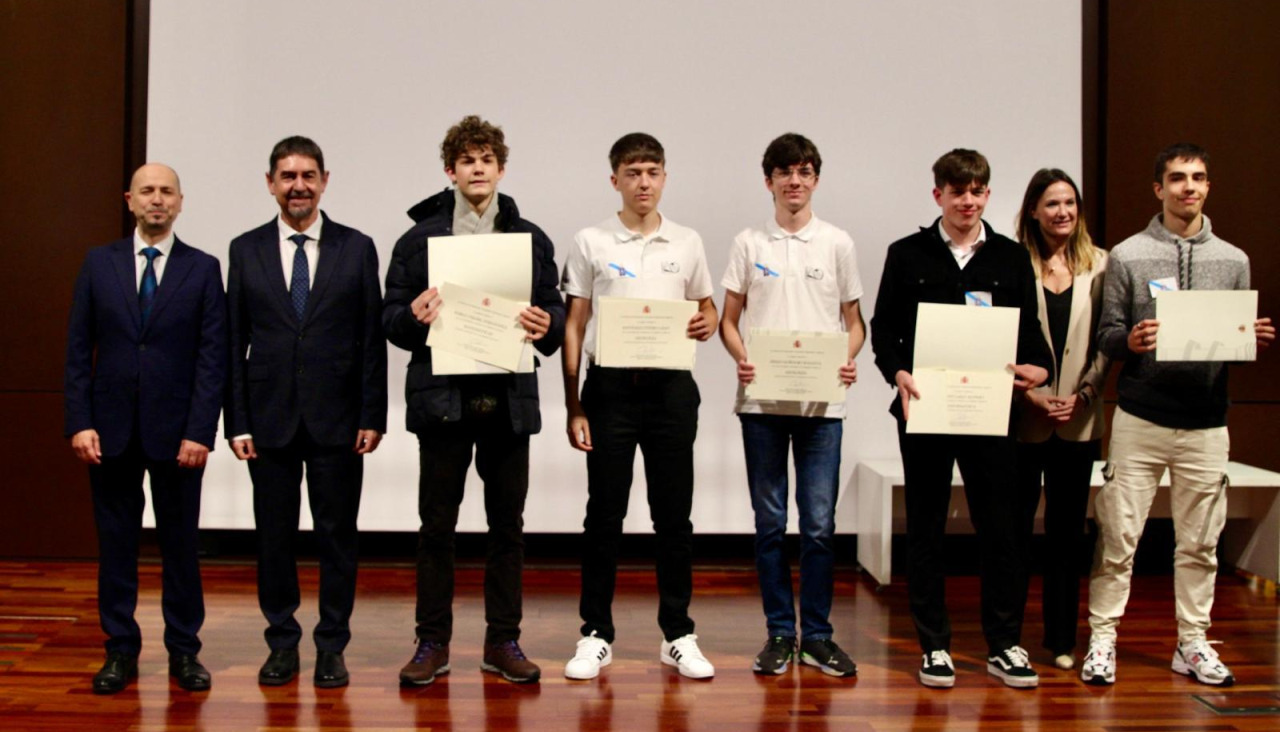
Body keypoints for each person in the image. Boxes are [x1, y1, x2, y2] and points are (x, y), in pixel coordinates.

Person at [1081, 143, 1274, 687]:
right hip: (1141, 419)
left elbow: (1231, 340)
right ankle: (1103, 639)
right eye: (1177, 178)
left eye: (1198, 178)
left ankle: (1192, 643)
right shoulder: (1127, 254)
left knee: (1201, 541)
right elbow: (1107, 332)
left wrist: (1249, 338)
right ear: (1158, 188)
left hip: (1207, 422)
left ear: (1208, 187)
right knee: (1119, 535)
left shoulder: (1233, 260)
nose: (1188, 187)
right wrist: (1132, 340)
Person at [384, 115, 566, 686]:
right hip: (443, 401)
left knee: (506, 527)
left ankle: (502, 640)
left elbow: (555, 311)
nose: (478, 168)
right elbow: (390, 317)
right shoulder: (419, 240)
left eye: (487, 159)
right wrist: (412, 318)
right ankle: (431, 642)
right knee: (436, 527)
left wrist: (547, 323)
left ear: (501, 169)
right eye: (467, 160)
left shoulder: (531, 238)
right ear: (451, 171)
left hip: (508, 398)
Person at [870, 148, 1052, 689]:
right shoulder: (907, 254)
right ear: (939, 197)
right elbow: (884, 331)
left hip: (990, 413)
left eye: (977, 191)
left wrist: (1038, 371)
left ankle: (1004, 644)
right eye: (957, 192)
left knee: (1000, 528)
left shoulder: (1011, 258)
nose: (967, 201)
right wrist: (896, 373)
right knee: (924, 528)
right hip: (924, 407)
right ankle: (935, 646)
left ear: (987, 195)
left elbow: (1031, 337)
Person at [225, 136, 388, 689]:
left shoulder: (357, 247)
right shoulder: (244, 249)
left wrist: (373, 414)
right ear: (270, 183)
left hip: (339, 420)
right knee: (273, 536)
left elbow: (371, 338)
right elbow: (232, 342)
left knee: (337, 535)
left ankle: (331, 646)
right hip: (267, 419)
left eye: (308, 175)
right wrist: (237, 420)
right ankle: (281, 643)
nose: (298, 185)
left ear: (324, 181)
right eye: (287, 175)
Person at [559, 133, 718, 680]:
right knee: (604, 515)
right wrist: (574, 403)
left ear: (664, 177)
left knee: (673, 517)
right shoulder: (590, 240)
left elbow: (707, 306)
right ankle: (595, 633)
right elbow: (575, 324)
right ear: (615, 180)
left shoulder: (688, 241)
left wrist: (709, 322)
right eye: (633, 173)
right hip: (610, 392)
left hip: (672, 391)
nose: (643, 182)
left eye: (652, 171)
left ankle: (677, 633)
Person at [64, 163, 227, 694]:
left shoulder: (203, 269)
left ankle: (184, 652)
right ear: (129, 200)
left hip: (178, 432)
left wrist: (201, 430)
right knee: (116, 546)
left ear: (180, 202)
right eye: (147, 192)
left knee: (181, 547)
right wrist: (80, 421)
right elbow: (76, 351)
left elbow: (212, 358)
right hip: (108, 432)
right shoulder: (98, 264)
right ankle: (120, 651)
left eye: (166, 192)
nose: (157, 200)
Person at [719, 133, 864, 678]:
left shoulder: (837, 243)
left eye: (804, 171)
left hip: (822, 407)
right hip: (761, 403)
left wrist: (846, 361)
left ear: (816, 179)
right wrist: (742, 357)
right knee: (771, 522)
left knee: (821, 524)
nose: (794, 181)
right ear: (769, 181)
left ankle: (819, 637)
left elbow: (855, 324)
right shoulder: (748, 243)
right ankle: (780, 632)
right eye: (784, 172)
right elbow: (729, 321)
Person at [1012, 169, 1110, 672]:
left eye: (1070, 202)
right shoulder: (1012, 264)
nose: (1063, 212)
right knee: (1014, 530)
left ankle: (1062, 639)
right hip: (1024, 419)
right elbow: (1001, 337)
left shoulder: (1102, 265)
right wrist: (1029, 397)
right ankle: (1008, 636)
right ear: (1033, 210)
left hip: (1078, 419)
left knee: (1068, 533)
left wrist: (1085, 395)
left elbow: (1107, 342)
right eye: (1051, 204)